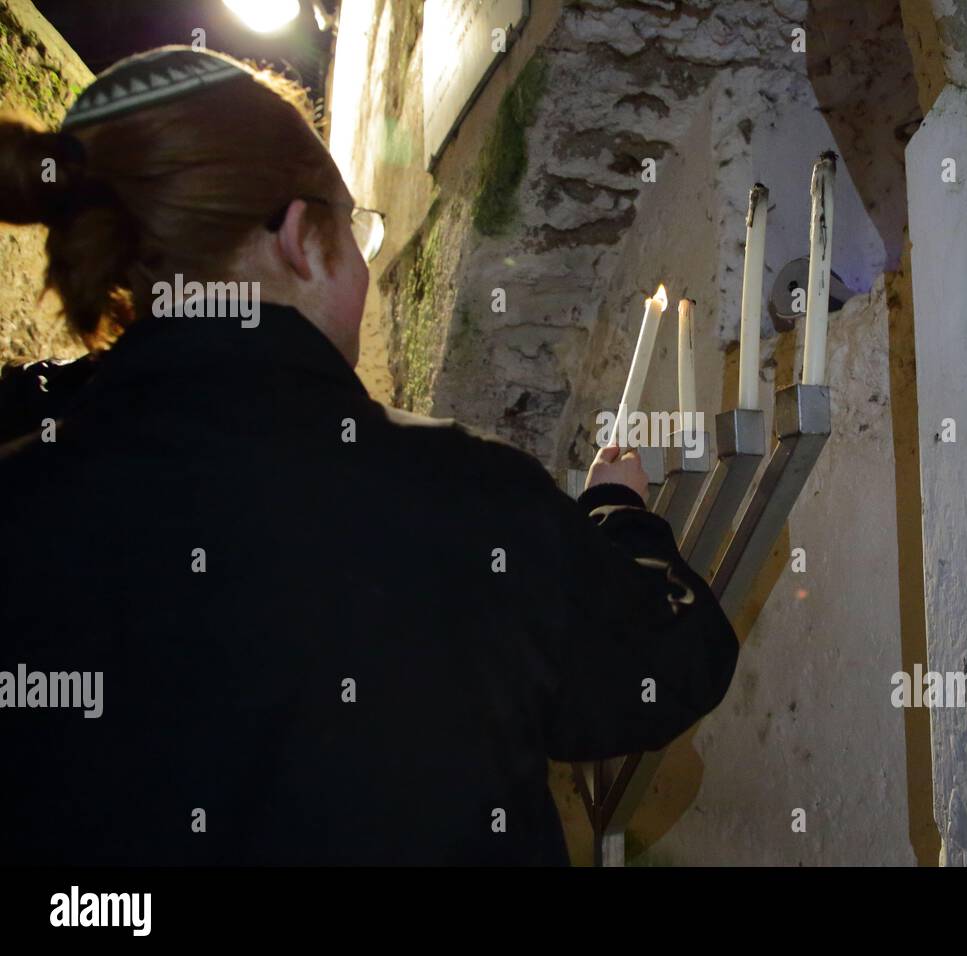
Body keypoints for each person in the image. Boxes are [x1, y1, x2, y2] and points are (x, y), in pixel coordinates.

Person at [0, 47, 738, 865]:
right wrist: (618, 515)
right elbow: (670, 662)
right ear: (297, 237)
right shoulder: (467, 498)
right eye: (351, 227)